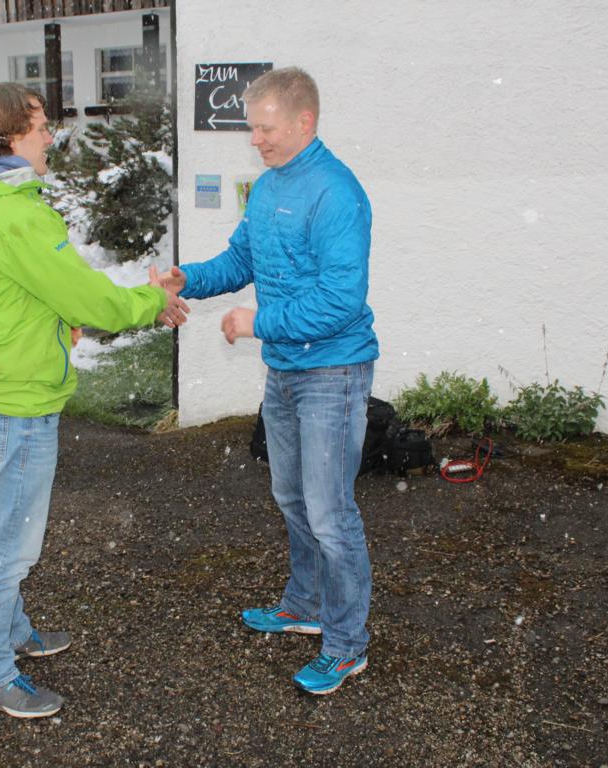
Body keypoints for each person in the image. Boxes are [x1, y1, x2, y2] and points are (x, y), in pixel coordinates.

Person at [0, 83, 188, 718]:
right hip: (16, 401)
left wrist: (47, 321)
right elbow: (88, 298)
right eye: (41, 126)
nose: (51, 136)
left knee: (1, 528)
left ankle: (12, 632)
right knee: (9, 546)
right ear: (8, 137)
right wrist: (152, 301)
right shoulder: (17, 215)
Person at [155, 67, 378, 695]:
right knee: (292, 497)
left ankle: (346, 644)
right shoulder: (269, 186)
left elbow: (340, 300)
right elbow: (242, 259)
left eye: (265, 128)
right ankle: (305, 606)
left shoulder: (336, 193)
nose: (255, 140)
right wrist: (189, 278)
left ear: (305, 122)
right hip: (285, 371)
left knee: (331, 512)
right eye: (252, 128)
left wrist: (259, 322)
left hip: (332, 372)